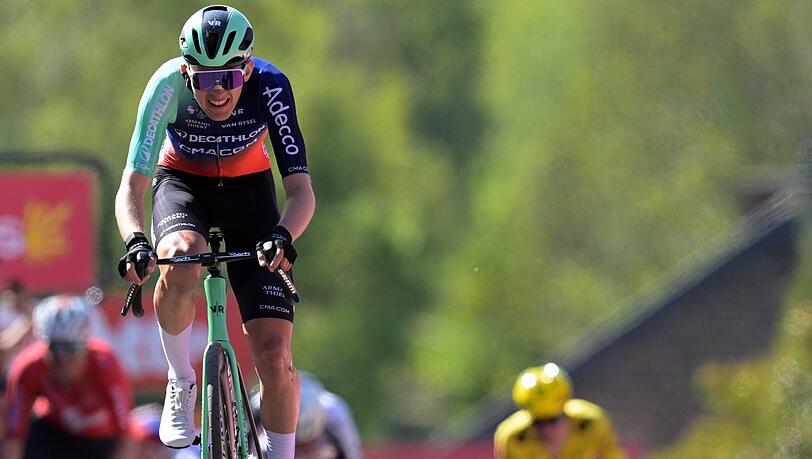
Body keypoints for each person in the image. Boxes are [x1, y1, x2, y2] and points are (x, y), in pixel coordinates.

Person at [114, 4, 315, 459]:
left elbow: (301, 192)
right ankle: (181, 380)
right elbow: (132, 186)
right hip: (183, 183)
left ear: (248, 67)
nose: (219, 90)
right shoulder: (165, 87)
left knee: (276, 358)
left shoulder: (272, 86)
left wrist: (282, 235)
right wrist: (135, 241)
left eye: (229, 76)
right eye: (204, 79)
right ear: (187, 74)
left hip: (250, 194)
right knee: (181, 258)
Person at [1, 295, 134, 459]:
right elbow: (14, 436)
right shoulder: (28, 367)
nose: (63, 358)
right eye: (55, 349)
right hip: (55, 433)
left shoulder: (105, 364)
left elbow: (126, 435)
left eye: (71, 349)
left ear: (85, 344)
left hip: (99, 440)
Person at [493, 363, 627, 459]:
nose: (546, 430)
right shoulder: (513, 438)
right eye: (538, 423)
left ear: (566, 413)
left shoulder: (591, 423)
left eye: (553, 420)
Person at [250, 372, 363, 459]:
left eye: (305, 444)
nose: (302, 452)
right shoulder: (262, 406)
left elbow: (351, 452)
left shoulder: (336, 412)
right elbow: (247, 447)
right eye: (298, 445)